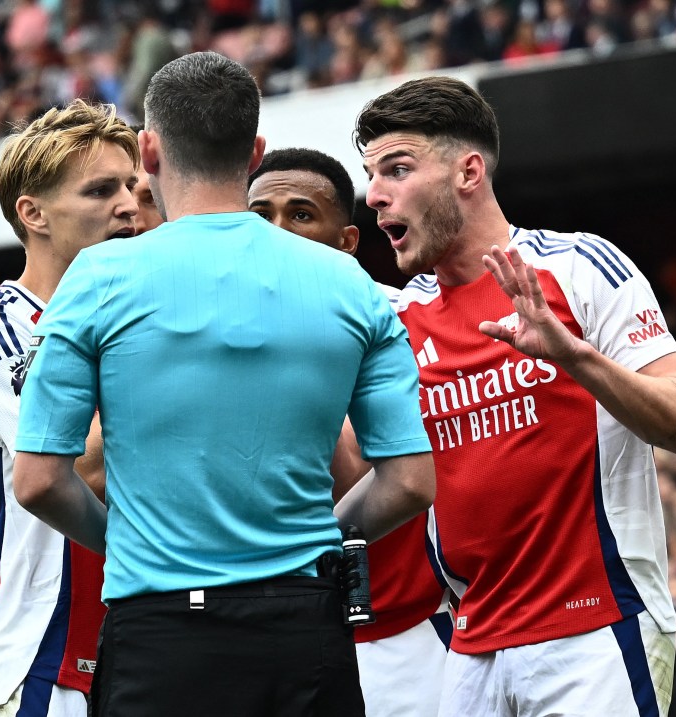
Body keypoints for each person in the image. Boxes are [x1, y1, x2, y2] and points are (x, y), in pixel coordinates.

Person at [11, 51, 436, 717]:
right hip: (305, 627)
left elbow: (37, 479)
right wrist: (320, 538)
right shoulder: (346, 281)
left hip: (159, 631)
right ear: (254, 151)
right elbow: (409, 481)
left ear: (148, 151)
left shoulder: (97, 279)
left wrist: (125, 540)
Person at [354, 76, 676, 717]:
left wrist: (574, 356)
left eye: (397, 169)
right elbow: (369, 469)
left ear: (469, 172)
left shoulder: (580, 267)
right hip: (471, 636)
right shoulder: (399, 320)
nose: (375, 194)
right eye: (371, 174)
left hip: (596, 623)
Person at [0, 98, 140, 716]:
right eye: (101, 190)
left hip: (147, 646)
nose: (129, 204)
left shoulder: (145, 310)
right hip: (43, 664)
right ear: (34, 214)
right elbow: (79, 461)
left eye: (133, 185)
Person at [248, 146, 452, 717]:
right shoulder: (210, 330)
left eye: (301, 214)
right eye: (260, 217)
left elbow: (375, 473)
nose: (278, 233)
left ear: (346, 242)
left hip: (407, 633)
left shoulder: (403, 321)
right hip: (269, 636)